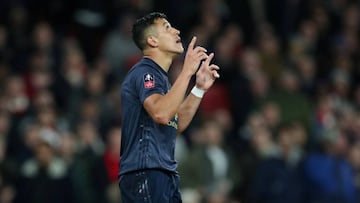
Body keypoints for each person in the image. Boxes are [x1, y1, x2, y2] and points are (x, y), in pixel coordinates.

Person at [118, 12, 220, 203]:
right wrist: (187, 71)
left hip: (164, 174)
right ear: (152, 41)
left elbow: (175, 123)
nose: (176, 31)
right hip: (145, 172)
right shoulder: (145, 72)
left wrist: (198, 89)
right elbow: (161, 113)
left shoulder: (161, 80)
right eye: (167, 27)